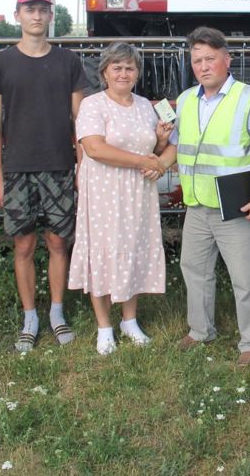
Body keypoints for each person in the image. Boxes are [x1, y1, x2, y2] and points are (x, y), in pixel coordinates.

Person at [158, 26, 250, 366]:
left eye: (210, 58)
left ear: (227, 59)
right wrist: (153, 163)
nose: (203, 66)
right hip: (197, 205)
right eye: (196, 60)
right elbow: (176, 149)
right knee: (193, 269)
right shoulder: (184, 100)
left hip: (235, 206)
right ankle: (200, 331)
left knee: (245, 277)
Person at [0, 0, 89, 352]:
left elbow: (80, 120)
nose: (36, 16)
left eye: (43, 9)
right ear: (18, 14)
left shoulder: (68, 62)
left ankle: (57, 313)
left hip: (59, 166)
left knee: (59, 242)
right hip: (17, 170)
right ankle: (30, 316)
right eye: (30, 9)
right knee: (23, 245)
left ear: (50, 15)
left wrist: (82, 167)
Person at [69, 43, 173, 355]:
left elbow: (152, 152)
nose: (123, 73)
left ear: (137, 73)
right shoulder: (92, 105)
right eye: (117, 67)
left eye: (129, 68)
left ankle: (129, 320)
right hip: (103, 190)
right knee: (103, 250)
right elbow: (95, 148)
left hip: (137, 192)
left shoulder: (145, 106)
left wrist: (161, 144)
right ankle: (104, 326)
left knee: (133, 247)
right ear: (104, 73)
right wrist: (145, 161)